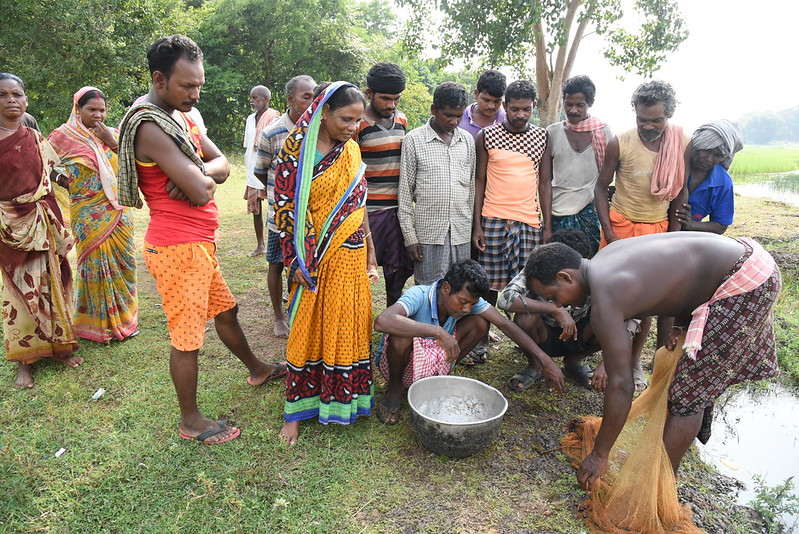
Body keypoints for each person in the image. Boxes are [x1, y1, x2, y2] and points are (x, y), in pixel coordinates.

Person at [526, 233, 780, 530]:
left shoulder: (606, 296)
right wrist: (682, 323)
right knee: (689, 379)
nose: (560, 305)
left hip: (746, 281)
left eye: (555, 297)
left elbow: (621, 383)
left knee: (688, 396)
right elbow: (682, 275)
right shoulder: (604, 260)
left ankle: (659, 484)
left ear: (565, 277)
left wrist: (600, 454)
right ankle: (662, 470)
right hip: (741, 255)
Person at [117, 35, 286, 445]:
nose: (195, 93)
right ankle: (190, 421)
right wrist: (198, 180)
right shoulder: (150, 126)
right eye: (187, 85)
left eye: (199, 85)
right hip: (177, 247)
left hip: (197, 243)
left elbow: (222, 166)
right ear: (159, 79)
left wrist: (200, 175)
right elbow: (199, 190)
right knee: (187, 338)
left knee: (226, 310)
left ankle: (259, 368)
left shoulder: (181, 115)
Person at [273, 82, 378, 445]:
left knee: (348, 321)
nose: (352, 127)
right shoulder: (294, 153)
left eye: (357, 121)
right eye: (345, 119)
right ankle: (296, 411)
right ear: (323, 112)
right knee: (308, 324)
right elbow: (284, 209)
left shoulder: (350, 150)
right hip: (311, 257)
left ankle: (346, 399)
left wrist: (370, 255)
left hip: (349, 254)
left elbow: (359, 206)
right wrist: (293, 260)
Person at [373, 259, 564, 425]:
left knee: (480, 322)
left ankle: (441, 380)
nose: (466, 308)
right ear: (446, 288)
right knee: (400, 333)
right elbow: (382, 321)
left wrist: (543, 359)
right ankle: (394, 391)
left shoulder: (469, 300)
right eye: (463, 301)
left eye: (472, 304)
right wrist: (437, 331)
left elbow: (505, 325)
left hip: (436, 361)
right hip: (403, 364)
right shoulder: (419, 295)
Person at [593, 80, 691, 392]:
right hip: (620, 227)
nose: (649, 126)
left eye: (656, 120)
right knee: (611, 297)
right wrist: (609, 232)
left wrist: (672, 238)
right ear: (634, 113)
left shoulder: (681, 144)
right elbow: (599, 188)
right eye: (642, 119)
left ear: (669, 115)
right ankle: (606, 357)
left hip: (657, 232)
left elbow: (679, 194)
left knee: (647, 302)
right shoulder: (619, 143)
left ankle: (635, 360)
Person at [0, 73, 81, 388]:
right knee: (18, 292)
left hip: (44, 221)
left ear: (26, 99)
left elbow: (52, 173)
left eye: (17, 94)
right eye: (3, 95)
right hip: (9, 226)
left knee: (53, 283)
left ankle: (60, 348)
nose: (11, 101)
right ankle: (26, 362)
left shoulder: (33, 137)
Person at [48, 86, 139, 343]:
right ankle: (95, 325)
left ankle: (125, 321)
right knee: (93, 266)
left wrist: (111, 142)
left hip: (119, 212)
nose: (98, 115)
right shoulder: (61, 137)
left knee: (125, 264)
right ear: (78, 109)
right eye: (91, 110)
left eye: (102, 110)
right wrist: (62, 179)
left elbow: (135, 163)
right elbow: (44, 166)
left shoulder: (114, 136)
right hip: (87, 214)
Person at [471, 79, 547, 364]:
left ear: (534, 107)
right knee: (488, 286)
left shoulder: (542, 137)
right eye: (515, 109)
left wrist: (546, 225)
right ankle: (481, 342)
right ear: (505, 106)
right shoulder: (487, 136)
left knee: (525, 288)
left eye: (526, 109)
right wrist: (477, 224)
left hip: (528, 222)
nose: (520, 115)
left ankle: (525, 345)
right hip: (492, 219)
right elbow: (480, 180)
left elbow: (545, 183)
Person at [497, 229, 600, 391]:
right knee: (525, 318)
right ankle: (536, 364)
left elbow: (630, 316)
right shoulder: (541, 268)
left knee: (607, 318)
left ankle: (574, 361)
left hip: (580, 335)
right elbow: (504, 299)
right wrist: (554, 309)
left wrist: (608, 362)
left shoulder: (595, 274)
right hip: (545, 335)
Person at [254, 74, 316, 339]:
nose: (313, 101)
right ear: (290, 99)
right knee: (277, 264)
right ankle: (279, 317)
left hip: (309, 218)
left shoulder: (318, 129)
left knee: (302, 265)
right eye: (306, 97)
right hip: (279, 218)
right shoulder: (273, 132)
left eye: (315, 96)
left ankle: (299, 312)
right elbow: (260, 172)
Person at [399, 82, 476, 285]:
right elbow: (405, 194)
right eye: (448, 115)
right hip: (429, 234)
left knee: (460, 289)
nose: (454, 121)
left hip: (461, 233)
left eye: (459, 116)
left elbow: (471, 191)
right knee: (429, 291)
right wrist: (410, 237)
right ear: (434, 110)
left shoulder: (467, 141)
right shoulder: (414, 140)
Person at [356, 62, 413, 307]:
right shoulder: (357, 124)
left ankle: (392, 325)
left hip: (398, 213)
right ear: (370, 93)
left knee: (396, 274)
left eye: (396, 99)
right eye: (385, 98)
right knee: (361, 273)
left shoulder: (402, 121)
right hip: (368, 213)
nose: (391, 105)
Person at [540, 75, 611, 253]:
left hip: (588, 212)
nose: (573, 110)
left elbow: (607, 180)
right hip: (557, 213)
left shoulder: (603, 132)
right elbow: (544, 182)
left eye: (580, 105)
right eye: (568, 104)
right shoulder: (552, 133)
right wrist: (547, 225)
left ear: (591, 103)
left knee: (588, 264)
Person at [675, 120, 744, 235]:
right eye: (706, 151)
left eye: (717, 155)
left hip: (687, 237)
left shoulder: (723, 183)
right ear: (697, 145)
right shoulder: (674, 165)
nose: (709, 159)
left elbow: (721, 226)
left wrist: (691, 224)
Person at [242, 85, 275, 256]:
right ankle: (260, 245)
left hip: (269, 169)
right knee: (256, 209)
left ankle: (273, 244)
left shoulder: (275, 117)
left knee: (273, 208)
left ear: (265, 99)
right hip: (253, 168)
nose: (252, 101)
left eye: (255, 98)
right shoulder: (250, 119)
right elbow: (248, 144)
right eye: (251, 98)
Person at [458, 70, 507, 139]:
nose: (491, 106)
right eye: (486, 100)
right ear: (476, 94)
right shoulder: (460, 117)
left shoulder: (506, 121)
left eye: (497, 101)